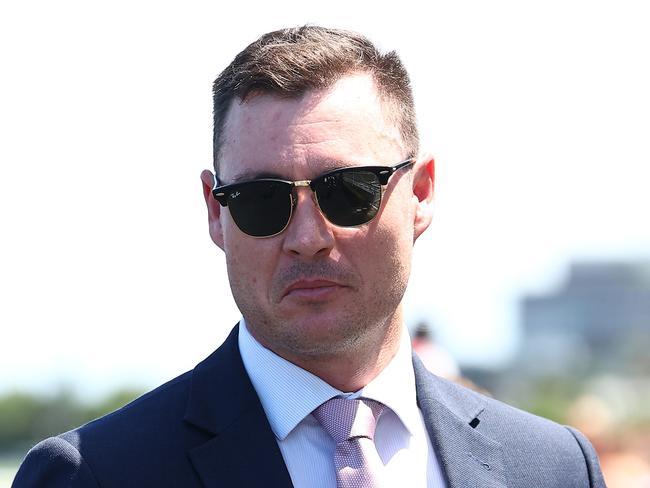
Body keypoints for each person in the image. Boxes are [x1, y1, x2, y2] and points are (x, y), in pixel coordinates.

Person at [13, 25, 606, 487]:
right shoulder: (95, 478)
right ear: (216, 213)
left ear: (421, 193)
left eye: (347, 192)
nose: (307, 236)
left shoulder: (554, 469)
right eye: (262, 201)